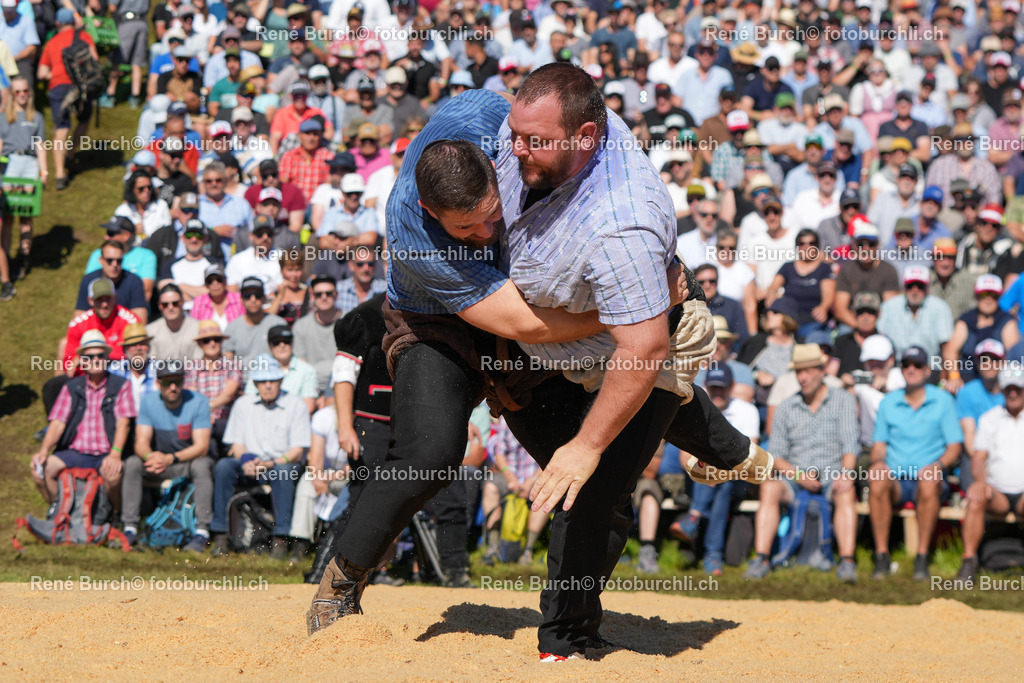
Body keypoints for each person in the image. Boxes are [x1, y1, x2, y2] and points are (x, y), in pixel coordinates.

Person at [308, 71, 768, 657]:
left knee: (595, 480)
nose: (485, 232)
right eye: (467, 228)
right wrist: (630, 309)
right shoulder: (413, 230)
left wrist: (635, 308)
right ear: (429, 209)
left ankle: (571, 631)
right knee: (430, 454)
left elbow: (568, 327)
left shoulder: (493, 119)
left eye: (491, 215)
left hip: (534, 311)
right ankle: (341, 581)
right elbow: (520, 324)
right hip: (444, 320)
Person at [744, 344, 860, 582]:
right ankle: (761, 557)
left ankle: (847, 561)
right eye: (798, 371)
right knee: (769, 487)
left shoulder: (843, 401)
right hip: (795, 476)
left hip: (832, 475)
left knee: (847, 491)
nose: (802, 377)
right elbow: (775, 454)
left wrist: (847, 473)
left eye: (808, 371)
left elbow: (851, 445)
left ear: (822, 369)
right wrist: (798, 475)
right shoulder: (786, 407)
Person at [869, 345, 964, 581]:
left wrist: (938, 465)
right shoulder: (889, 402)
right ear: (901, 370)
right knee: (877, 477)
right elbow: (879, 445)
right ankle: (881, 555)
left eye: (917, 365)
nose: (911, 369)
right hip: (897, 479)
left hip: (929, 478)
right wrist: (878, 462)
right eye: (906, 365)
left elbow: (955, 446)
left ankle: (922, 557)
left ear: (927, 370)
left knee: (929, 480)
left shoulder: (943, 400)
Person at [211, 356, 310, 558]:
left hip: (281, 462)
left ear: (280, 381)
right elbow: (235, 443)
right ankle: (220, 534)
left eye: (272, 381)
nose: (267, 385)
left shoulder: (296, 405)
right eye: (262, 381)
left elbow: (297, 451)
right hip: (250, 461)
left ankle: (280, 538)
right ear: (255, 384)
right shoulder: (242, 404)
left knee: (282, 472)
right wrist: (246, 461)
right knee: (223, 467)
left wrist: (270, 463)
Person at [31, 330, 134, 506]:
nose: (94, 361)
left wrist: (115, 454)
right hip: (75, 451)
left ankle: (116, 515)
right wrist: (43, 451)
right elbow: (57, 424)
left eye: (99, 356)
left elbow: (123, 423)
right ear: (82, 361)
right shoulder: (71, 387)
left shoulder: (121, 386)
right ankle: (58, 511)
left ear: (106, 357)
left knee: (113, 476)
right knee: (41, 471)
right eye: (89, 357)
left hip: (105, 452)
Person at [674, 365, 760, 575]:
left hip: (739, 477)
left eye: (722, 388)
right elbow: (683, 456)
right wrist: (706, 471)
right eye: (713, 388)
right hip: (702, 477)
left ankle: (693, 518)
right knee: (719, 484)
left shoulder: (747, 411)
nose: (717, 392)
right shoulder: (695, 408)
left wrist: (717, 472)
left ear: (732, 387)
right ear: (706, 387)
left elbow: (750, 457)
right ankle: (713, 557)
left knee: (723, 481)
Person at [124, 360, 214, 551]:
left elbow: (202, 447)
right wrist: (151, 456)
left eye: (178, 381)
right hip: (159, 463)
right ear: (158, 383)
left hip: (185, 463)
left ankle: (202, 531)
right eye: (167, 382)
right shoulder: (148, 402)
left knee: (202, 466)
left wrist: (170, 458)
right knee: (132, 463)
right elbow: (140, 442)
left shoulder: (199, 402)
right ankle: (129, 527)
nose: (173, 387)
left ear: (184, 382)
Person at [956, 364, 1024, 583]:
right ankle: (969, 561)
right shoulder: (989, 418)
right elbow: (978, 457)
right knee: (975, 498)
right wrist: (979, 481)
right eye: (1009, 388)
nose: (1013, 393)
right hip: (998, 493)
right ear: (1002, 390)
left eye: (1018, 388)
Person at [37, 8, 97, 190]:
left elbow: (41, 73)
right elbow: (94, 59)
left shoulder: (52, 43)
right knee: (84, 120)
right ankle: (71, 154)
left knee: (61, 128)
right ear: (74, 22)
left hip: (58, 86)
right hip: (81, 85)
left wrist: (54, 72)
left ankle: (60, 174)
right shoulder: (84, 37)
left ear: (57, 24)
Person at [481, 416, 547, 566]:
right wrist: (512, 480)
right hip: (509, 475)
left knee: (544, 495)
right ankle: (492, 547)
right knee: (490, 487)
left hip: (537, 476)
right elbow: (499, 454)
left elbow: (549, 458)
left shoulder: (545, 419)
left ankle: (527, 552)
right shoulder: (507, 419)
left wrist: (531, 482)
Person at [0, 76, 46, 288]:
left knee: (26, 215)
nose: (22, 95)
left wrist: (44, 171)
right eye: (17, 92)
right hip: (10, 163)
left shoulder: (36, 117)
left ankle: (22, 256)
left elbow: (40, 145)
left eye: (25, 91)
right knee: (8, 214)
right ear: (12, 94)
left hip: (29, 163)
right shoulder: (3, 117)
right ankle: (7, 257)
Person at [943, 275, 1019, 391]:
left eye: (993, 295)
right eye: (983, 294)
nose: (988, 299)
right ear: (976, 296)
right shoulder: (966, 320)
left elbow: (1014, 356)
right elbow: (950, 350)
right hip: (968, 377)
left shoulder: (1007, 321)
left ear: (999, 297)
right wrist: (954, 376)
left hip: (998, 380)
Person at [183, 320, 241, 459]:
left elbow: (227, 395)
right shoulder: (191, 367)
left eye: (216, 339)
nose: (212, 343)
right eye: (207, 340)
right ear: (200, 344)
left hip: (225, 423)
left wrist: (206, 409)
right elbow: (192, 397)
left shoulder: (232, 365)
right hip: (201, 422)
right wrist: (206, 415)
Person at [956, 339, 1008, 492]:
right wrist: (983, 467)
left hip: (1008, 450)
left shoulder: (1013, 391)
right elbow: (970, 438)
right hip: (979, 454)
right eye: (984, 360)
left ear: (1003, 362)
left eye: (994, 360)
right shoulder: (966, 392)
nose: (989, 364)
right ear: (977, 363)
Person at [765, 228, 835, 338]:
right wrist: (772, 294)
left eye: (811, 243)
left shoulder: (824, 268)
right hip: (789, 320)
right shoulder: (788, 267)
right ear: (797, 247)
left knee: (815, 338)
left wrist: (824, 307)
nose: (806, 247)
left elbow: (828, 293)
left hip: (813, 320)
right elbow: (774, 285)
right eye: (802, 243)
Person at [877, 265, 955, 363]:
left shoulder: (940, 307)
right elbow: (880, 340)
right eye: (910, 286)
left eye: (920, 286)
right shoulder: (889, 307)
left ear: (927, 288)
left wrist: (947, 376)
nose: (915, 291)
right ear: (903, 288)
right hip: (897, 367)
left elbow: (946, 346)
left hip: (930, 368)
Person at [222, 276, 287, 381]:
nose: (253, 300)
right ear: (241, 299)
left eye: (257, 295)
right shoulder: (232, 328)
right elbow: (227, 364)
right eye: (247, 296)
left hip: (273, 381)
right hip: (242, 383)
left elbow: (287, 360)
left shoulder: (278, 324)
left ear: (264, 298)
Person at [243, 325, 319, 414]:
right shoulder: (259, 367)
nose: (282, 345)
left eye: (286, 341)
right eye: (276, 342)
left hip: (293, 420)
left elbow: (308, 407)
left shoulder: (307, 370)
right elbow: (248, 401)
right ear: (270, 345)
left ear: (292, 343)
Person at [74, 240, 149, 323]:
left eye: (119, 261)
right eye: (110, 260)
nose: (114, 265)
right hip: (95, 329)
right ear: (101, 260)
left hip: (125, 330)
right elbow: (78, 318)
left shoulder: (134, 281)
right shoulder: (89, 280)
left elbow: (140, 321)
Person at [88, 217, 157, 303]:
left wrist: (125, 315)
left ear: (126, 236)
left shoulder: (146, 256)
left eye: (111, 233)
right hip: (102, 308)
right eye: (109, 260)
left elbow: (146, 292)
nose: (106, 237)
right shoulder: (97, 254)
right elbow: (90, 286)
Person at [292, 275, 340, 394]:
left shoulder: (348, 323)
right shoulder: (301, 325)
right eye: (319, 294)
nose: (324, 298)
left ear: (336, 295)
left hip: (339, 386)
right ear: (312, 296)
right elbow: (301, 365)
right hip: (310, 387)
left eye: (328, 293)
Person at [147, 283, 202, 362]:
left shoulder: (198, 328)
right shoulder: (150, 331)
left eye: (175, 303)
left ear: (182, 302)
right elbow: (152, 364)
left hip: (191, 373)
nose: (170, 307)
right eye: (165, 304)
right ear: (159, 306)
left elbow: (199, 361)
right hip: (161, 373)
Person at [190, 263, 244, 331]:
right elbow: (194, 328)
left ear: (225, 281)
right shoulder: (199, 302)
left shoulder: (239, 299)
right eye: (210, 281)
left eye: (219, 279)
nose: (215, 284)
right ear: (206, 285)